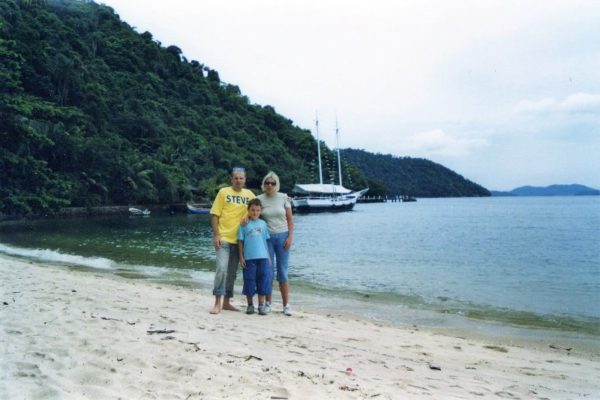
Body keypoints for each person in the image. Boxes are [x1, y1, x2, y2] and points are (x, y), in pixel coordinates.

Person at [209, 167, 255, 314]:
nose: (238, 180)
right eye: (236, 178)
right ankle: (217, 302)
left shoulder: (249, 194)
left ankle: (227, 302)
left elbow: (260, 208)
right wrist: (216, 235)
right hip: (223, 239)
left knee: (232, 273)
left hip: (239, 241)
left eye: (241, 178)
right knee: (221, 269)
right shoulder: (223, 192)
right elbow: (214, 215)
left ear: (245, 179)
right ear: (231, 179)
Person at [257, 171, 294, 316]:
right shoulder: (259, 199)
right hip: (267, 238)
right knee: (268, 272)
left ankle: (286, 305)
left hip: (283, 236)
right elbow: (253, 215)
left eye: (273, 183)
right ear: (264, 184)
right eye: (267, 182)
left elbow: (290, 220)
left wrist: (290, 237)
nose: (270, 185)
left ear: (276, 184)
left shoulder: (284, 197)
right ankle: (267, 304)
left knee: (283, 272)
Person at [238, 198, 271, 315]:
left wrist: (269, 257)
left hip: (263, 257)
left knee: (263, 280)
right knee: (249, 281)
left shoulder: (263, 224)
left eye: (257, 210)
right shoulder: (244, 224)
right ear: (248, 210)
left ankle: (261, 305)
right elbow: (240, 241)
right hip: (249, 258)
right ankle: (250, 305)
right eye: (252, 210)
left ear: (260, 211)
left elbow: (265, 241)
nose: (255, 213)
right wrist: (241, 257)